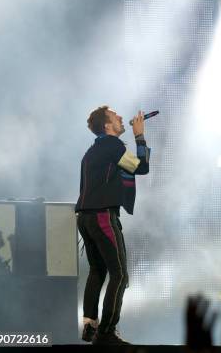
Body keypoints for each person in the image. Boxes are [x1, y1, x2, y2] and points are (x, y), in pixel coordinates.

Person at [75, 106, 150, 345]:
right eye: (115, 116)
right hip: (102, 216)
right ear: (107, 126)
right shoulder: (113, 146)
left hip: (85, 217)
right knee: (119, 274)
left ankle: (90, 326)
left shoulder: (92, 151)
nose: (121, 118)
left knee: (98, 270)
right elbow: (141, 167)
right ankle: (106, 332)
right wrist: (139, 135)